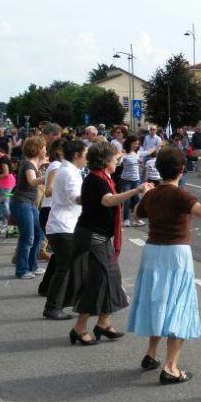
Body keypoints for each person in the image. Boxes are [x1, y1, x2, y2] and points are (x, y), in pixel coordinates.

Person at [129, 149, 201, 384]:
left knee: (157, 302)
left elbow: (136, 215)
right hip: (175, 253)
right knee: (178, 305)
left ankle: (151, 354)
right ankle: (170, 367)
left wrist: (146, 195)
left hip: (152, 251)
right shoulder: (180, 194)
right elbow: (200, 211)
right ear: (181, 170)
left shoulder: (152, 194)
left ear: (158, 170)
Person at [67, 142, 151, 346]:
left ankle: (103, 323)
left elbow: (86, 200)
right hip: (92, 236)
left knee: (110, 278)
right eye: (114, 159)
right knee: (98, 280)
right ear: (105, 161)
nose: (117, 162)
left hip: (97, 236)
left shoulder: (100, 178)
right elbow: (108, 200)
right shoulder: (97, 180)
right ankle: (79, 328)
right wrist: (136, 190)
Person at [41, 140, 86, 321]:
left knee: (65, 267)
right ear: (76, 155)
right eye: (85, 154)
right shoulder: (68, 172)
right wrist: (95, 197)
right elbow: (75, 197)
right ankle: (53, 307)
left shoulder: (68, 170)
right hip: (63, 226)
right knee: (64, 268)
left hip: (63, 225)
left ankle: (58, 304)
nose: (86, 158)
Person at [11, 136, 48, 280]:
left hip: (28, 204)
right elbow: (32, 181)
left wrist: (44, 165)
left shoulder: (32, 163)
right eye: (43, 148)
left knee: (38, 234)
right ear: (37, 149)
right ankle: (22, 270)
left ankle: (32, 265)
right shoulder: (27, 165)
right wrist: (49, 176)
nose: (45, 151)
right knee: (27, 237)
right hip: (22, 203)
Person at [118, 136, 144, 226]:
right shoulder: (124, 153)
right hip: (126, 180)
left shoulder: (137, 153)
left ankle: (137, 219)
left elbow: (148, 152)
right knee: (127, 200)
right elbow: (118, 163)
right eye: (135, 143)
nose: (137, 145)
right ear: (130, 143)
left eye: (137, 144)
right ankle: (126, 220)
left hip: (136, 179)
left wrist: (158, 146)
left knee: (137, 199)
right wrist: (120, 155)